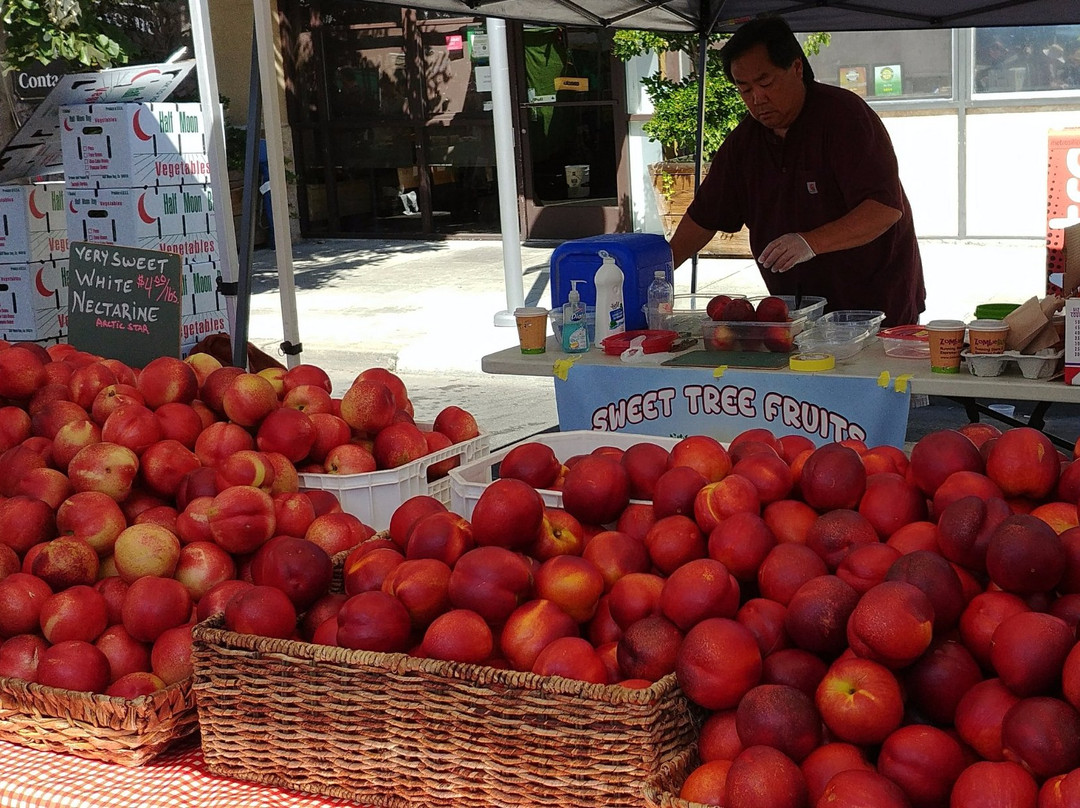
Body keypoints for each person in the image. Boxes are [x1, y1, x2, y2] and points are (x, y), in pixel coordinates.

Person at [669, 16, 925, 326]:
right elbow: (704, 217)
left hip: (876, 308)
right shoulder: (745, 142)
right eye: (744, 89)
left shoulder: (844, 117)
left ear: (796, 68)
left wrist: (810, 242)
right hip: (798, 314)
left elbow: (883, 210)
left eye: (766, 83)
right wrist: (657, 275)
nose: (757, 98)